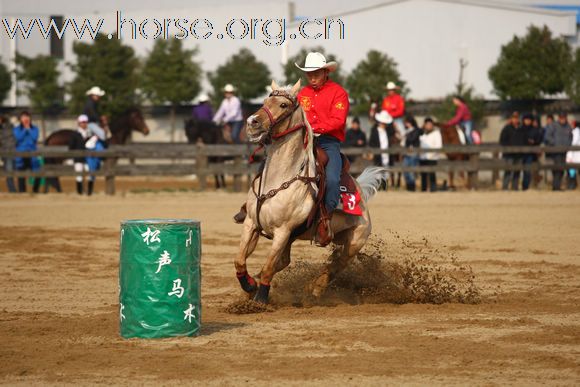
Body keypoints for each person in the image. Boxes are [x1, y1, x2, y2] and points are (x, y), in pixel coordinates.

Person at [295, 51, 349, 246]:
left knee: (333, 179)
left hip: (328, 142)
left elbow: (338, 120)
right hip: (304, 141)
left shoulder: (338, 92)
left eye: (316, 73)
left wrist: (314, 128)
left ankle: (325, 218)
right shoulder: (302, 94)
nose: (312, 77)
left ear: (326, 72)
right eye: (309, 74)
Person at [13, 111, 41, 193]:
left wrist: (29, 129)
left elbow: (34, 137)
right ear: (20, 119)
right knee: (21, 174)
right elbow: (18, 138)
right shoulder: (17, 129)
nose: (26, 119)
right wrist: (25, 129)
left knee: (37, 173)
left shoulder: (35, 128)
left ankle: (35, 190)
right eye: (23, 117)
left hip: (32, 154)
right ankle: (22, 191)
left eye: (27, 117)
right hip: (21, 154)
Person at [544, 112, 573, 191]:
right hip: (555, 152)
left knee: (562, 169)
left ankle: (557, 186)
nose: (562, 119)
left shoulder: (568, 127)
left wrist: (568, 145)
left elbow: (571, 137)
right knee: (557, 169)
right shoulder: (553, 126)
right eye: (561, 117)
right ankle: (556, 186)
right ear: (559, 118)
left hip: (565, 152)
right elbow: (547, 136)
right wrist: (555, 143)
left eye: (564, 117)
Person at [418, 118, 442, 192]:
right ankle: (423, 189)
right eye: (427, 124)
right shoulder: (422, 134)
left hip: (432, 157)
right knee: (423, 174)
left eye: (430, 125)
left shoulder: (436, 133)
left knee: (432, 174)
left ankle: (433, 189)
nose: (429, 126)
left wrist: (432, 154)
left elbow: (438, 145)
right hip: (422, 157)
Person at [499, 112, 520, 190]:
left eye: (516, 118)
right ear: (511, 119)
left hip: (518, 153)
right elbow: (502, 140)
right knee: (508, 170)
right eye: (514, 118)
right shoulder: (507, 128)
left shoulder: (520, 128)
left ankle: (515, 187)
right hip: (509, 154)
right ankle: (505, 187)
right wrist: (509, 147)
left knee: (517, 171)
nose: (515, 119)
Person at [402, 114, 423, 191]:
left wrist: (406, 135)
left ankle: (412, 188)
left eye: (406, 122)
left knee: (411, 171)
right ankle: (408, 186)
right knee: (405, 170)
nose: (405, 124)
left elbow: (412, 139)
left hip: (413, 153)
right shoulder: (407, 131)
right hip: (407, 153)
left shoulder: (416, 130)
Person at [1, 115, 17, 192]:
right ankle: (12, 190)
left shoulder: (8, 128)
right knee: (9, 171)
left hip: (9, 151)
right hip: (6, 152)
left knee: (10, 171)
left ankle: (13, 190)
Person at [566, 118, 580, 190]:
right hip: (574, 154)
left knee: (572, 170)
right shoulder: (574, 131)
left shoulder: (576, 131)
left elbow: (573, 142)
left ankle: (572, 185)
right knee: (572, 170)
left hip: (575, 154)